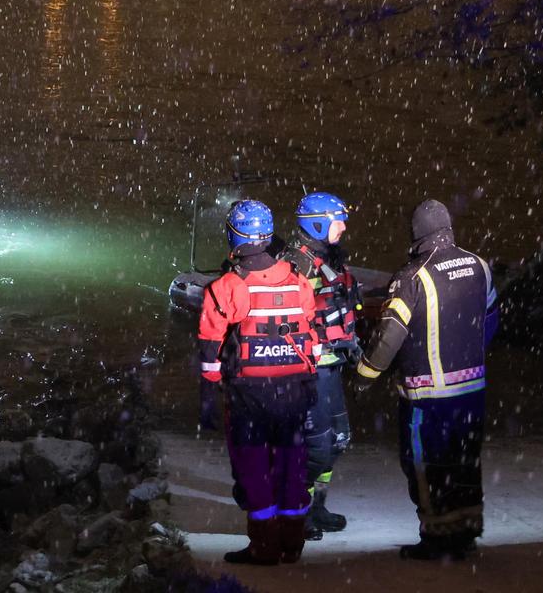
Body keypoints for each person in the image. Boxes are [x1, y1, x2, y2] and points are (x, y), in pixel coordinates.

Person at [354, 199, 499, 561]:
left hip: (428, 397)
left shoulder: (412, 277)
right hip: (472, 391)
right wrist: (468, 354)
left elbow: (389, 336)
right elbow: (492, 318)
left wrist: (363, 376)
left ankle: (436, 538)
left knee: (425, 465)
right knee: (465, 460)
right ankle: (466, 532)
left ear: (416, 234)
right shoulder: (479, 266)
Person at [198, 199, 323, 566]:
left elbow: (209, 350)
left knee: (253, 469)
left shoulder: (226, 288)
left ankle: (263, 547)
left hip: (249, 396)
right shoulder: (299, 282)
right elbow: (312, 339)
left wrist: (209, 394)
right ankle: (292, 542)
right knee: (292, 465)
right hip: (295, 392)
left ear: (233, 235)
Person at [276, 191, 363, 540]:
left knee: (339, 439)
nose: (343, 227)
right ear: (317, 223)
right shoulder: (296, 264)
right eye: (337, 220)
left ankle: (317, 505)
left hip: (332, 365)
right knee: (315, 447)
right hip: (308, 371)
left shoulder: (330, 259)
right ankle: (297, 511)